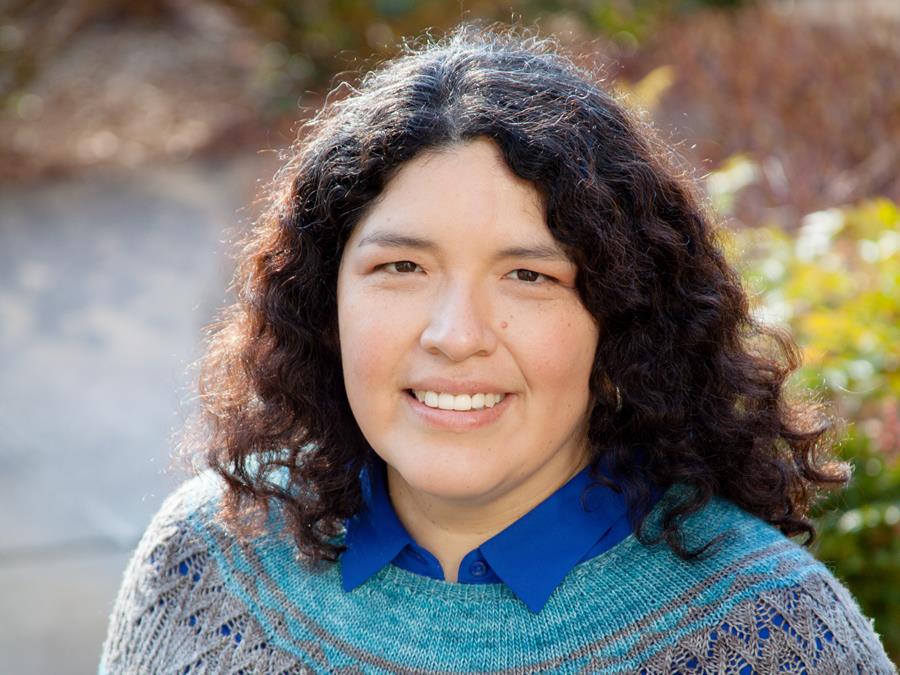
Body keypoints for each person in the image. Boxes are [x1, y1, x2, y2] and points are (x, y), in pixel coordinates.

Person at [98, 22, 896, 674]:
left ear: (623, 318)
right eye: (401, 267)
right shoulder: (206, 560)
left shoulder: (775, 637)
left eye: (528, 276)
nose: (455, 335)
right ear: (324, 301)